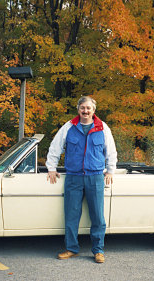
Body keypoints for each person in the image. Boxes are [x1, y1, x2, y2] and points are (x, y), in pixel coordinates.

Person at [46, 96, 117, 264]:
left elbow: (111, 150)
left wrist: (110, 171)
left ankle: (98, 251)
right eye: (82, 108)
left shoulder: (102, 127)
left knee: (98, 216)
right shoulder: (69, 127)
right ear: (78, 109)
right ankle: (72, 248)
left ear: (93, 110)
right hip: (74, 178)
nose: (85, 111)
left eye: (88, 108)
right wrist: (51, 168)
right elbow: (55, 147)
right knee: (71, 215)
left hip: (95, 177)